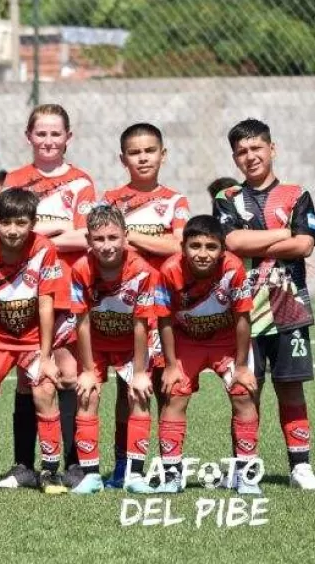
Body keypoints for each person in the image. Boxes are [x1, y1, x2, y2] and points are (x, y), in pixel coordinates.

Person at [213, 118, 315, 490]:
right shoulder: (225, 199)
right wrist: (283, 234)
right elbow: (231, 243)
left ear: (271, 149)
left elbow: (305, 244)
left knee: (291, 387)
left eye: (257, 148)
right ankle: (245, 467)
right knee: (246, 387)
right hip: (243, 310)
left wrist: (257, 240)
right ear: (235, 158)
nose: (251, 156)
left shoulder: (297, 194)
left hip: (289, 306)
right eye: (242, 151)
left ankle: (300, 467)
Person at [0, 104, 95, 489]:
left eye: (57, 133)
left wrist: (41, 237)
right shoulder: (15, 179)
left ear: (68, 137)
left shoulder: (81, 182)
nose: (49, 140)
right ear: (29, 136)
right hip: (23, 292)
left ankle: (74, 464)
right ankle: (23, 465)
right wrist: (58, 233)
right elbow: (9, 233)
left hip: (67, 290)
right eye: (42, 133)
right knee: (28, 378)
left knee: (69, 375)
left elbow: (84, 235)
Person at [0, 188, 73, 495]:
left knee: (45, 390)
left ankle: (50, 472)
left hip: (33, 340)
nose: (12, 230)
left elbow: (47, 303)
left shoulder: (44, 248)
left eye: (21, 223)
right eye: (6, 222)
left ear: (32, 223)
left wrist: (47, 356)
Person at [101, 123, 190, 488]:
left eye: (149, 151)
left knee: (168, 387)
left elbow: (179, 245)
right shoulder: (110, 200)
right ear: (123, 159)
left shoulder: (175, 200)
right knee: (128, 389)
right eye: (135, 152)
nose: (143, 158)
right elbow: (102, 244)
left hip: (167, 308)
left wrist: (129, 235)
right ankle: (127, 465)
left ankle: (170, 467)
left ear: (162, 155)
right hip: (125, 308)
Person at [155, 215, 260, 494]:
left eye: (211, 247)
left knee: (243, 392)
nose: (202, 254)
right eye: (195, 246)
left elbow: (242, 318)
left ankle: (245, 475)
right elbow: (164, 320)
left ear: (223, 249)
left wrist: (240, 366)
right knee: (175, 393)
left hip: (224, 342)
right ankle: (172, 476)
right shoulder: (169, 270)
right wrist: (170, 365)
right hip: (185, 341)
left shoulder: (233, 268)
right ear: (183, 246)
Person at [70, 205, 157, 495]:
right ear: (88, 240)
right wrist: (85, 371)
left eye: (112, 237)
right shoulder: (81, 269)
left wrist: (141, 373)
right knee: (87, 394)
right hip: (95, 342)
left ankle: (132, 472)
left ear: (126, 236)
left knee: (137, 395)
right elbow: (81, 321)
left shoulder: (142, 270)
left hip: (132, 343)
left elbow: (141, 324)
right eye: (99, 239)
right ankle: (91, 474)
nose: (106, 245)